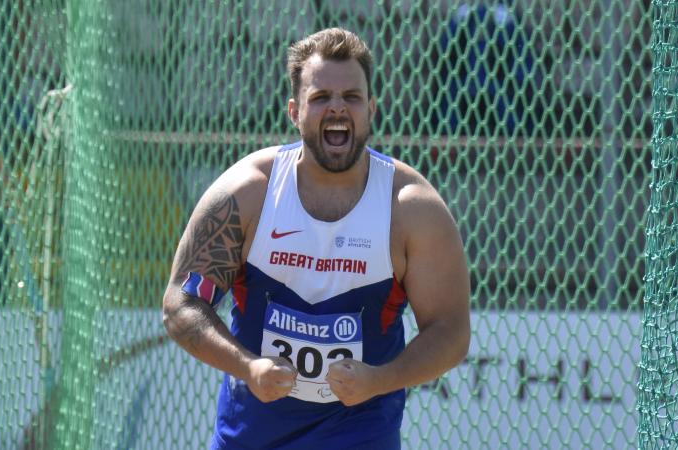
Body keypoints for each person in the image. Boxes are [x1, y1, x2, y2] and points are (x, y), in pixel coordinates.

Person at [162, 27, 470, 450]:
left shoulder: (410, 208)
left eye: (352, 97)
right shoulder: (249, 192)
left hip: (360, 435)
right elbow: (181, 304)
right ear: (294, 111)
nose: (338, 108)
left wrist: (379, 379)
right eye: (321, 97)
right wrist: (249, 367)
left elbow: (451, 332)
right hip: (250, 437)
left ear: (372, 109)